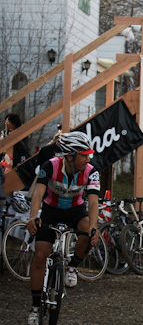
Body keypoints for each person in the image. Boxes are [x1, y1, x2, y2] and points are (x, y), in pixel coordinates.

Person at [25, 132, 101, 325]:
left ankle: (73, 266)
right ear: (69, 155)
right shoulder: (50, 166)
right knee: (40, 255)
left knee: (88, 232)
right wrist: (33, 216)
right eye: (83, 155)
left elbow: (93, 203)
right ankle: (35, 307)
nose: (88, 158)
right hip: (51, 210)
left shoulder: (91, 171)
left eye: (88, 154)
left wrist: (94, 227)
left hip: (75, 211)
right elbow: (38, 193)